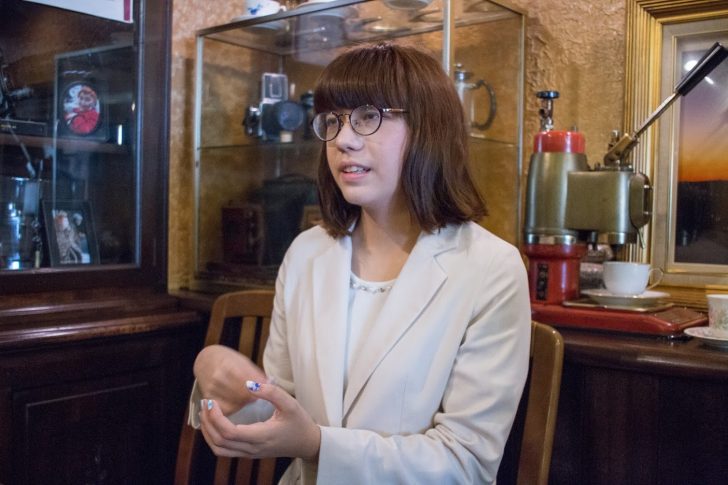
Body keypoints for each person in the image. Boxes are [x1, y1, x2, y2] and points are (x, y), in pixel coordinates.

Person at [190, 42, 531, 484]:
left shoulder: (491, 269)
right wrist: (222, 382)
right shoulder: (307, 253)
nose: (343, 140)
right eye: (332, 121)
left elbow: (465, 463)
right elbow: (282, 412)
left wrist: (318, 445)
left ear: (428, 129)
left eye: (368, 116)